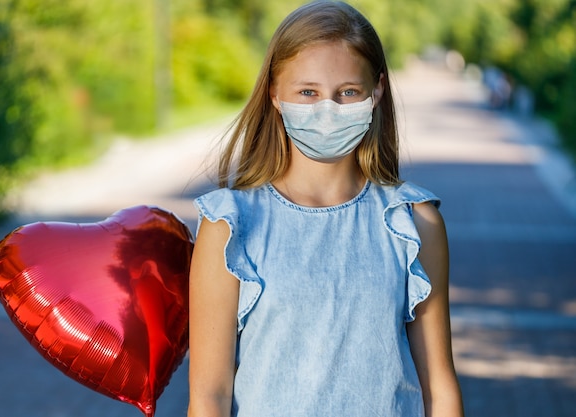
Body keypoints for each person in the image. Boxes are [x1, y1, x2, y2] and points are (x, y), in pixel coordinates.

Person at [187, 1, 465, 416]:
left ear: (377, 93)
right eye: (308, 92)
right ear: (275, 95)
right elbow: (210, 397)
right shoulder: (229, 226)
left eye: (348, 92)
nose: (327, 109)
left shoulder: (413, 223)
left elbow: (440, 389)